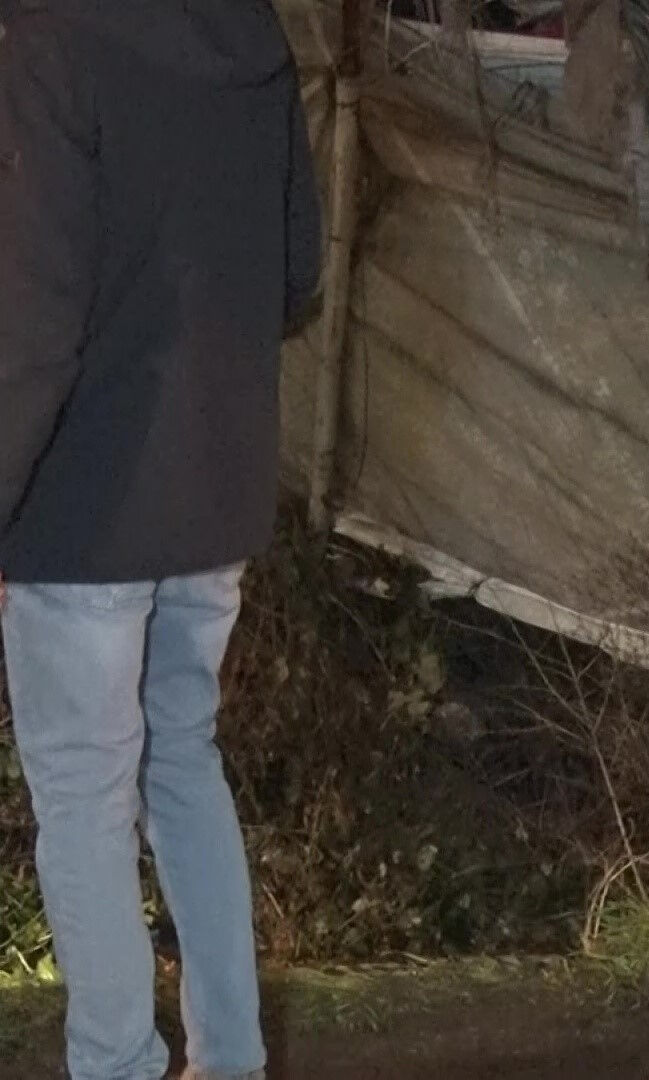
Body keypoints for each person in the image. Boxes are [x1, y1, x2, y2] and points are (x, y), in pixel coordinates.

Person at [0, 1, 321, 1078]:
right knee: (183, 758)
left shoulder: (48, 42)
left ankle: (118, 1064)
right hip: (217, 481)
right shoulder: (254, 33)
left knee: (85, 796)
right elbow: (295, 272)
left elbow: (31, 315)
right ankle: (229, 1059)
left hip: (83, 500)